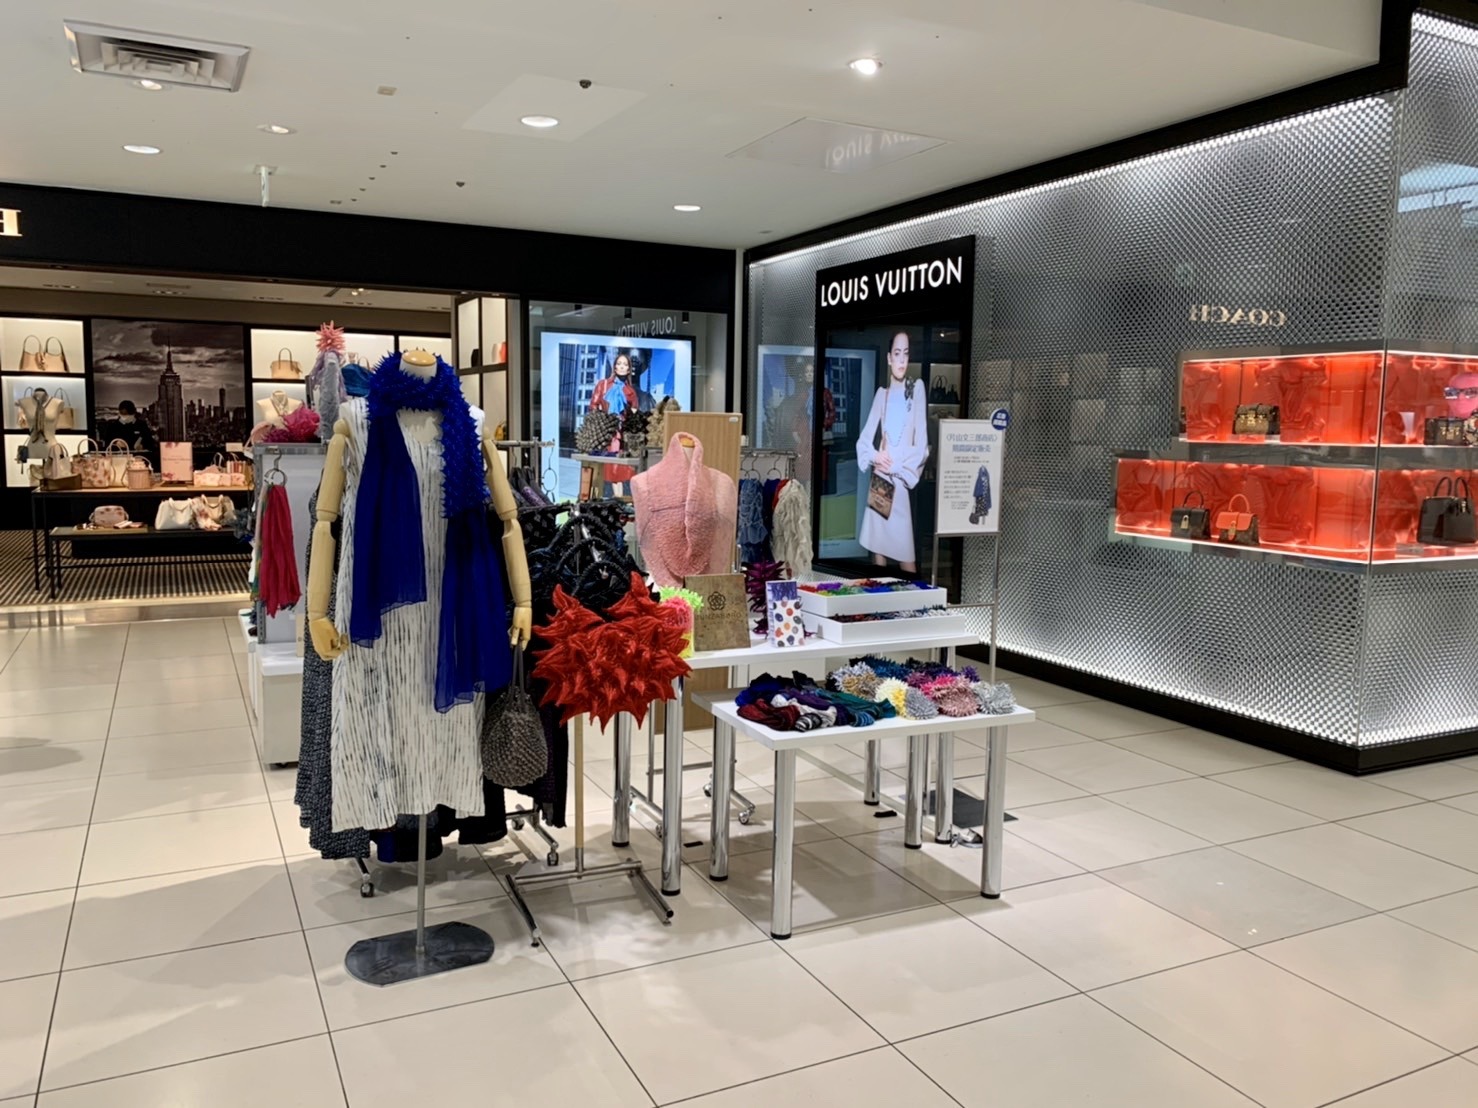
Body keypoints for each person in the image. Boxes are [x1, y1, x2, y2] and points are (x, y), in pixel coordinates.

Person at [856, 330, 928, 572]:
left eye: (905, 353)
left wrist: (899, 466)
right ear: (889, 358)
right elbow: (864, 439)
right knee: (878, 547)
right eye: (897, 353)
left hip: (900, 479)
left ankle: (914, 594)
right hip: (881, 480)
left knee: (905, 552)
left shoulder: (917, 389)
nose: (901, 360)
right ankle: (880, 592)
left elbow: (922, 443)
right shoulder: (882, 395)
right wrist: (875, 456)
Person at [589, 350, 653, 416]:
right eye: (619, 364)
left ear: (629, 370)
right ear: (615, 367)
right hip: (604, 421)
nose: (622, 367)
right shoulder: (602, 385)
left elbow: (633, 413)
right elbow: (593, 406)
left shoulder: (631, 392)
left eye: (625, 364)